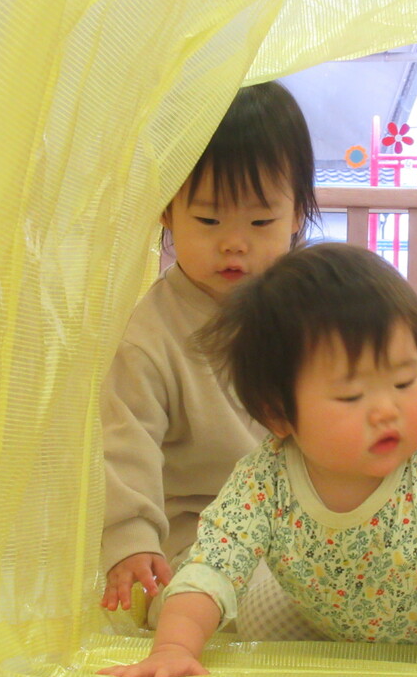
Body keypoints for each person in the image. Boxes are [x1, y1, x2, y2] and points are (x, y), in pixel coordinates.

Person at [97, 243, 417, 677]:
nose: (386, 409)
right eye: (351, 395)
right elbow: (212, 567)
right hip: (330, 633)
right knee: (256, 610)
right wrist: (174, 648)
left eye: (404, 381)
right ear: (278, 414)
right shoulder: (263, 480)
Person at [99, 81, 319, 623]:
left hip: (315, 531)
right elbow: (124, 443)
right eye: (209, 220)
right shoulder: (147, 337)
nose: (234, 243)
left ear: (297, 215)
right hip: (202, 545)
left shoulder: (318, 313)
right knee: (226, 605)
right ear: (167, 212)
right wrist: (130, 539)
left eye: (261, 221)